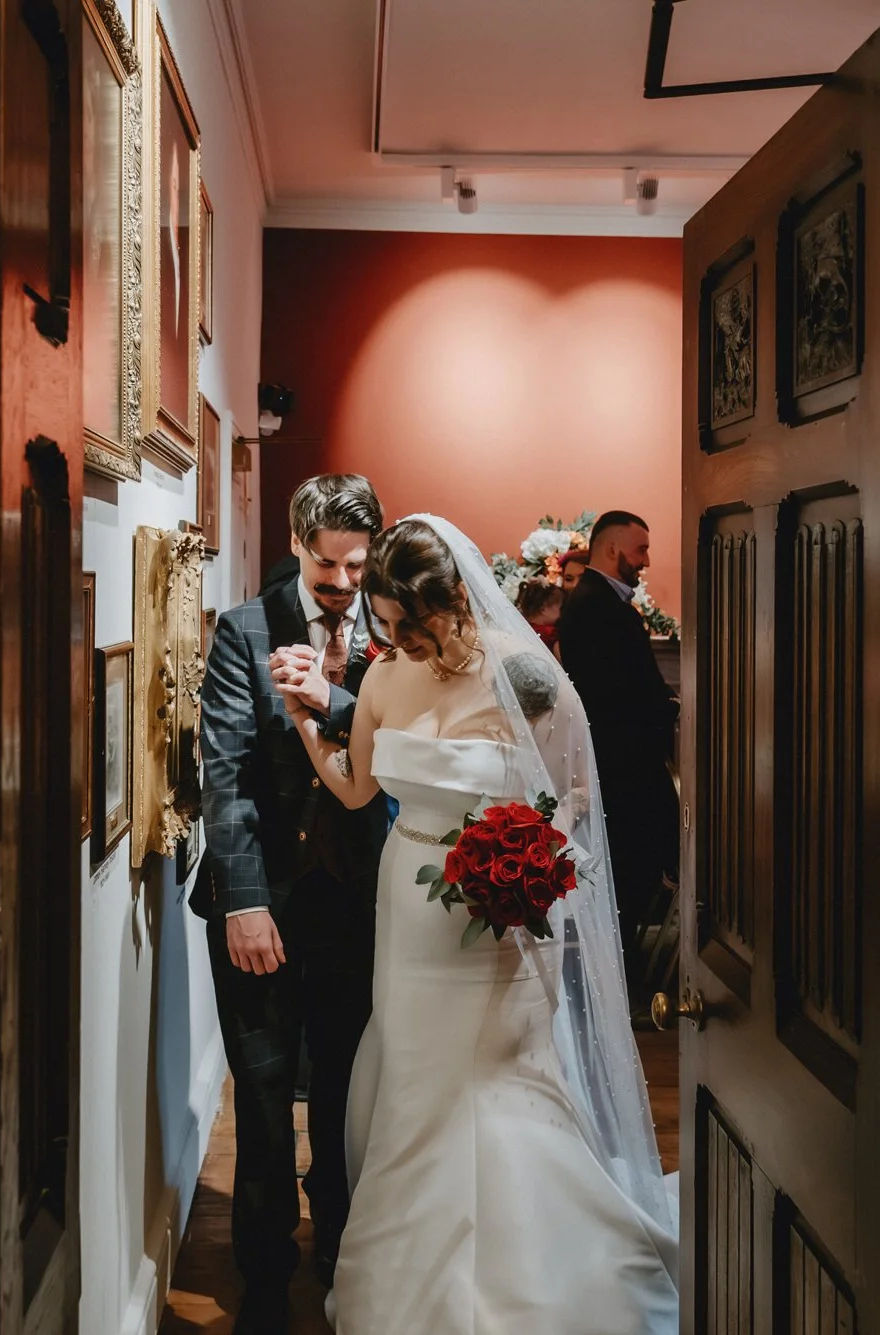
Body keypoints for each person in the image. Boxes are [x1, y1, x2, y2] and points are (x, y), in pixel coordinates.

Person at [273, 516, 677, 1334]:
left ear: (451, 600)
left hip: (499, 916)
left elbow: (577, 795)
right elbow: (354, 788)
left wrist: (525, 852)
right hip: (410, 906)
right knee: (418, 1076)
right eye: (383, 623)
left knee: (499, 1074)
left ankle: (532, 1274)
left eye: (405, 621)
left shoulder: (528, 673)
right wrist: (302, 719)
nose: (392, 637)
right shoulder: (386, 678)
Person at [194, 475, 391, 1333]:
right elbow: (226, 775)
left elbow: (415, 746)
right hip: (265, 900)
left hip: (366, 909)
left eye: (359, 562)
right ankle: (265, 1277)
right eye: (326, 563)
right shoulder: (244, 630)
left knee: (355, 1093)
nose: (345, 582)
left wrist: (331, 700)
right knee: (267, 1100)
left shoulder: (398, 626)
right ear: (296, 538)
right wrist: (243, 904)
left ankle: (346, 1252)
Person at [555, 512, 679, 996]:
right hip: (620, 766)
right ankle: (621, 984)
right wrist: (667, 708)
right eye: (640, 549)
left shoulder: (594, 602)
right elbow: (621, 693)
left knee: (628, 874)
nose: (646, 560)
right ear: (612, 550)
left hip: (617, 761)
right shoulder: (600, 608)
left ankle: (621, 978)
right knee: (627, 875)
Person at [515, 577, 564, 655]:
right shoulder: (550, 634)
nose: (561, 613)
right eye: (560, 608)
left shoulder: (520, 629)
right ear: (543, 609)